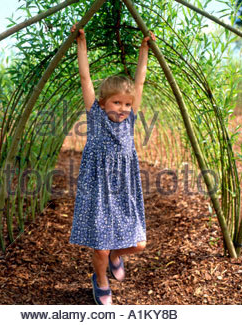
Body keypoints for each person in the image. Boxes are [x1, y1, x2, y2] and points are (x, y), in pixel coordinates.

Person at [69, 23, 156, 305]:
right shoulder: (95, 116)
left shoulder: (130, 120)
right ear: (103, 102)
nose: (122, 109)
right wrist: (81, 45)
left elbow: (139, 82)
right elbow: (85, 78)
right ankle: (101, 280)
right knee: (101, 250)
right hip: (98, 189)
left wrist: (144, 51)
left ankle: (119, 254)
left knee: (139, 244)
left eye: (127, 104)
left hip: (124, 189)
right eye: (116, 103)